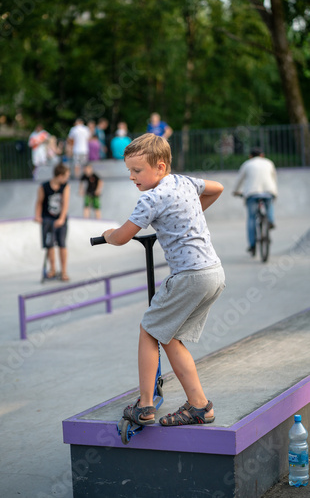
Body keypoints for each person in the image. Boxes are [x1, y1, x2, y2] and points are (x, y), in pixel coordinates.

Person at [101, 133, 225, 427]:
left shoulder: (152, 198)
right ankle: (199, 406)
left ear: (159, 166)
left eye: (137, 170)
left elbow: (121, 237)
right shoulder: (183, 182)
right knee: (170, 336)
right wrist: (184, 216)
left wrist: (107, 235)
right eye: (129, 170)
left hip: (189, 277)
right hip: (214, 273)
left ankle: (144, 406)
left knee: (149, 330)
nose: (132, 177)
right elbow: (217, 188)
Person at [232, 147, 278, 255]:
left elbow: (239, 179)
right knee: (269, 204)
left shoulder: (247, 164)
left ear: (250, 156)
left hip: (252, 193)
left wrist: (235, 191)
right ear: (262, 155)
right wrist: (274, 191)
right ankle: (270, 220)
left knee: (252, 218)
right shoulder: (269, 162)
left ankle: (252, 245)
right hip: (268, 191)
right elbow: (274, 178)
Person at [34, 163, 71, 281]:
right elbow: (39, 202)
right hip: (47, 218)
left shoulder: (65, 186)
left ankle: (64, 271)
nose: (67, 179)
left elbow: (65, 204)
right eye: (66, 176)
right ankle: (52, 270)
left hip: (61, 218)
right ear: (60, 175)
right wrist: (38, 216)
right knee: (49, 245)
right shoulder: (44, 187)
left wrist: (61, 219)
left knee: (62, 244)